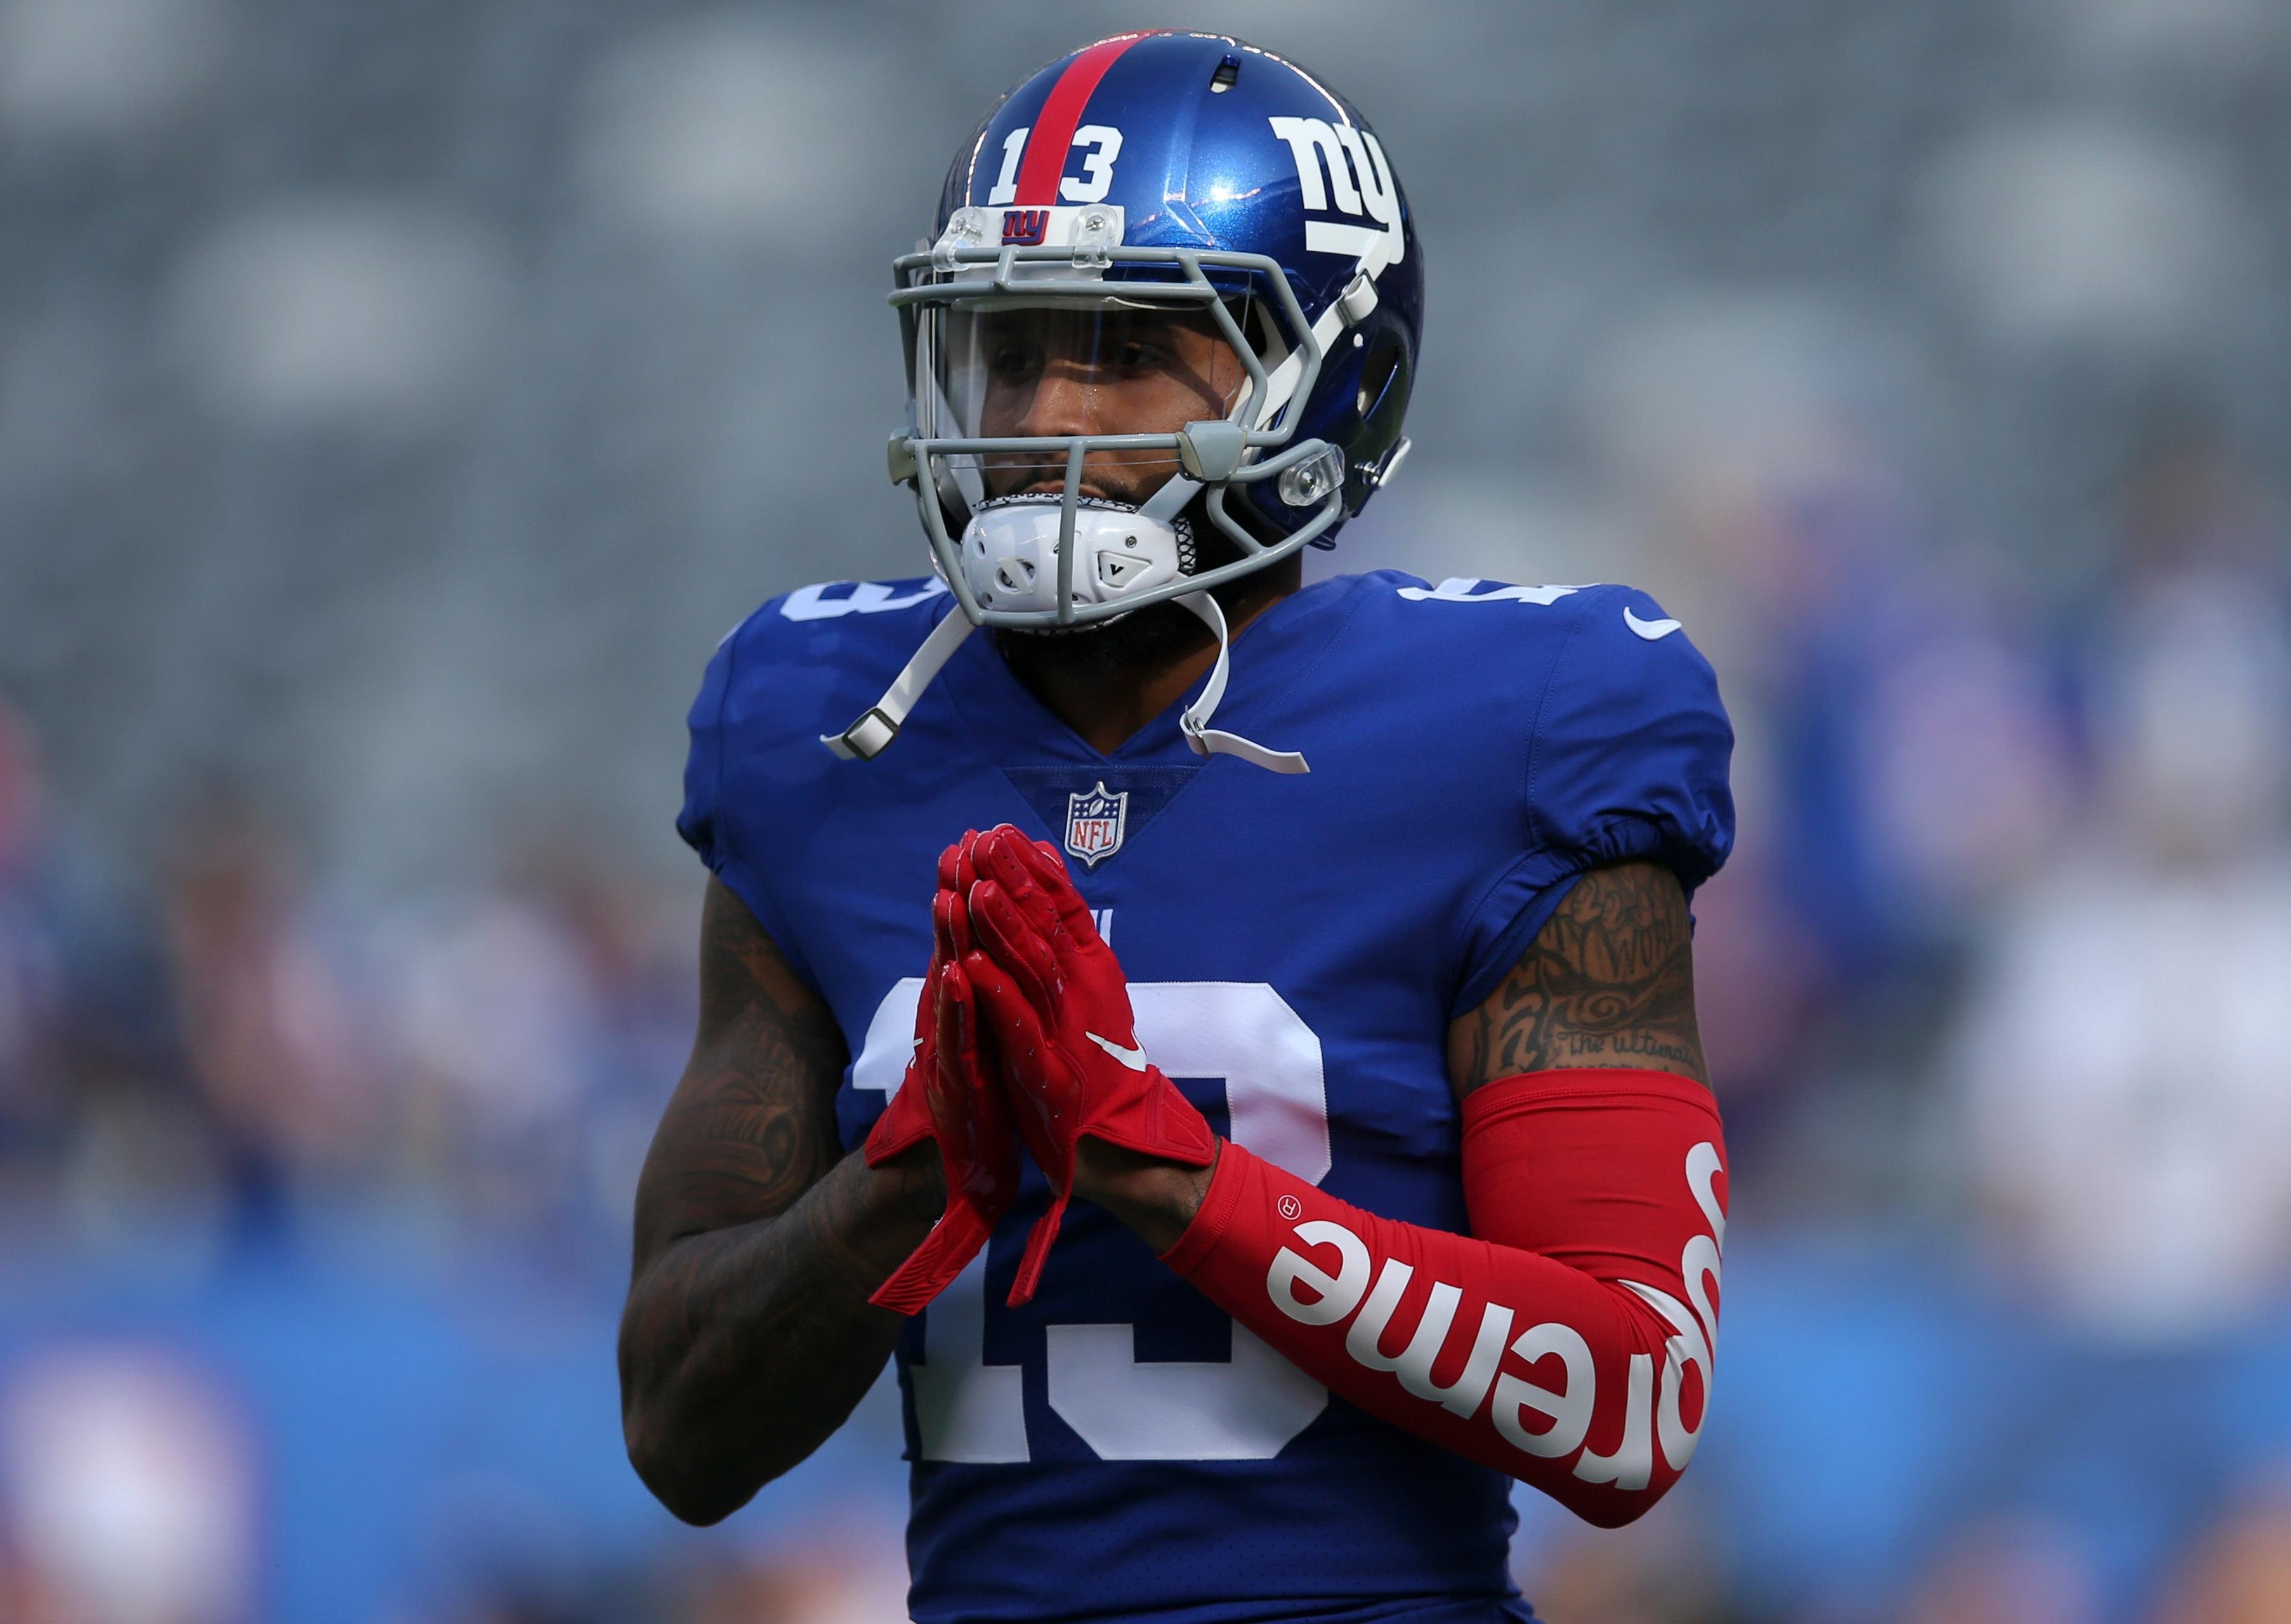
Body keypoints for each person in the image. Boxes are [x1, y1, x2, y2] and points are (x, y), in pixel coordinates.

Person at [620, 31, 1735, 1624]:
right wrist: (910, 1175)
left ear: (1332, 380)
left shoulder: (1524, 721)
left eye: (1128, 348)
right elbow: (678, 1428)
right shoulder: (818, 724)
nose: (1040, 416)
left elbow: (1631, 1402)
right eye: (1011, 353)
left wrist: (1166, 1173)